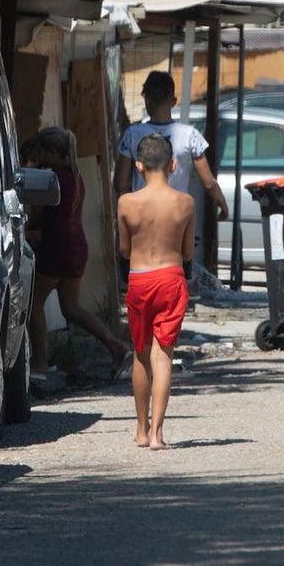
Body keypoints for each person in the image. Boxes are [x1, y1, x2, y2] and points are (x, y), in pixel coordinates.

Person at [24, 127, 133, 387]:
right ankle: (116, 346)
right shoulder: (76, 176)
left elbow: (38, 217)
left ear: (50, 152)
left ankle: (39, 363)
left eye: (40, 151)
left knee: (33, 304)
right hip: (76, 248)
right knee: (72, 308)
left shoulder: (50, 179)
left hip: (55, 247)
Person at [117, 133, 195, 450]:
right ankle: (157, 434)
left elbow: (124, 250)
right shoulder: (185, 203)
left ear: (138, 166)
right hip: (171, 278)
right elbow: (188, 252)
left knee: (140, 352)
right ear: (173, 165)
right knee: (163, 355)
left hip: (139, 279)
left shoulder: (126, 202)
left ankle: (140, 427)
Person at [113, 70, 230, 222]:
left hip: (142, 214)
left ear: (146, 100)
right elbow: (209, 183)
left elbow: (120, 183)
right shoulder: (190, 135)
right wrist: (223, 205)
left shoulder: (131, 135)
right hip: (176, 215)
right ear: (173, 101)